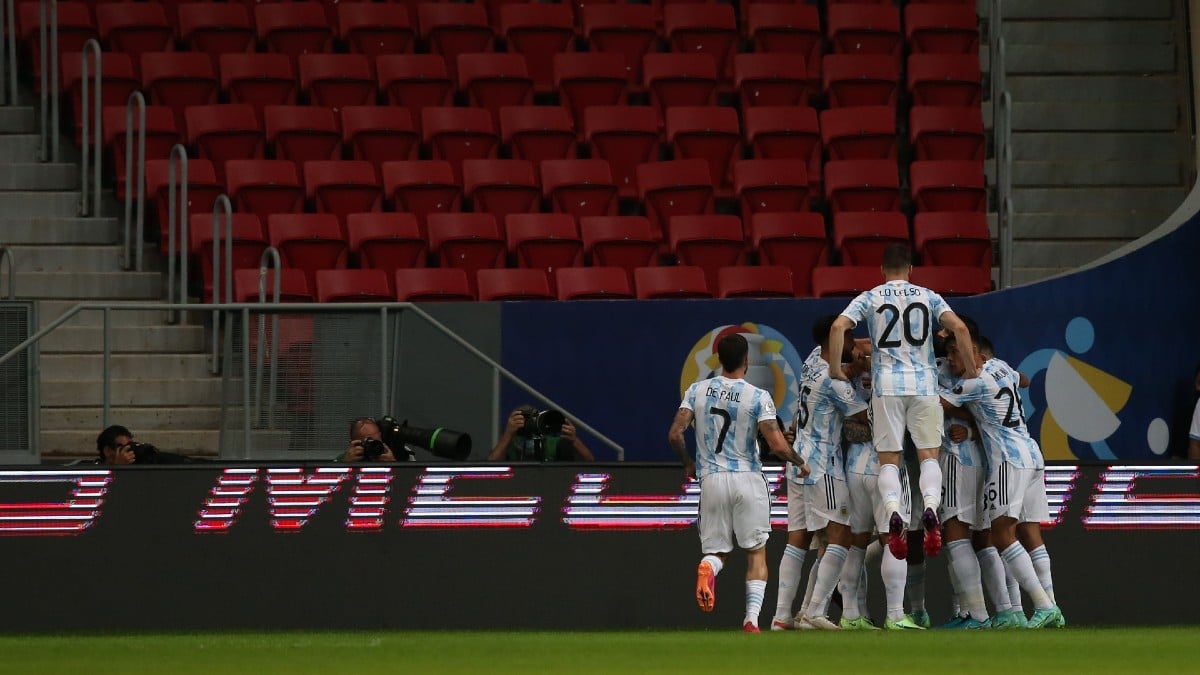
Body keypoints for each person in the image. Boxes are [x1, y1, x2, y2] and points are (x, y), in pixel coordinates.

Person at [829, 244, 978, 561]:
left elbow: (839, 326)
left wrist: (834, 369)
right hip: (924, 384)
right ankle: (928, 507)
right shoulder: (928, 296)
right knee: (928, 458)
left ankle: (895, 511)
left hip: (887, 386)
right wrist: (971, 368)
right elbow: (960, 328)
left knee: (889, 461)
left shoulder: (870, 297)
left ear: (882, 271)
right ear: (911, 269)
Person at [668, 333, 807, 633]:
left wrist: (688, 464)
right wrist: (800, 463)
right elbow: (778, 445)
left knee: (717, 551)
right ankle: (751, 620)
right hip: (748, 479)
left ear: (719, 359)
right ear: (747, 361)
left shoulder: (697, 390)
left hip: (712, 480)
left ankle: (710, 568)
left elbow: (675, 434)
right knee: (756, 552)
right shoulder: (758, 397)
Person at [940, 335, 1065, 629]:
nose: (951, 361)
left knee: (1001, 534)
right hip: (1032, 454)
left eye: (955, 353)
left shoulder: (974, 383)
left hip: (1007, 460)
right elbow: (1024, 380)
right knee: (1030, 532)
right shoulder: (1001, 367)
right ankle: (1049, 606)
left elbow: (939, 404)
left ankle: (1045, 606)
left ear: (974, 353)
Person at [786, 316, 872, 631]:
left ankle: (792, 616)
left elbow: (855, 350)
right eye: (849, 339)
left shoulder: (812, 359)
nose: (854, 344)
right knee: (841, 535)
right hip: (823, 464)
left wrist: (857, 363)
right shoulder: (834, 383)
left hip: (801, 460)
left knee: (811, 538)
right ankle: (814, 613)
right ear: (836, 342)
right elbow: (866, 417)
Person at [487, 406, 595, 461]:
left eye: (534, 418)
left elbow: (590, 462)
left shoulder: (554, 443)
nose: (530, 423)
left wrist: (575, 441)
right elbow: (490, 467)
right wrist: (508, 433)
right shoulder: (509, 445)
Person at [94, 425, 190, 464]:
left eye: (130, 446)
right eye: (124, 447)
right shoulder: (93, 471)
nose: (129, 451)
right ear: (107, 451)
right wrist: (118, 468)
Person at [338, 417, 411, 462]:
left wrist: (393, 465)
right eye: (368, 442)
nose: (373, 445)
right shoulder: (346, 458)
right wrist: (346, 465)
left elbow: (408, 482)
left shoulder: (399, 453)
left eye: (376, 441)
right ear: (353, 443)